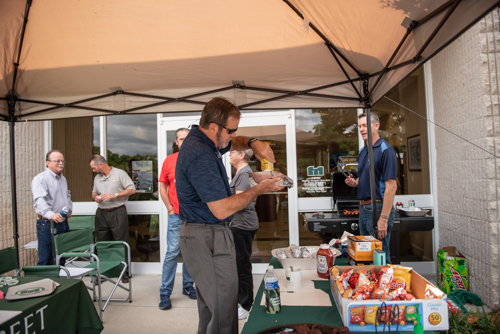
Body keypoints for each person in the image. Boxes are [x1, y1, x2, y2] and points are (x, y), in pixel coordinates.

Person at [176, 97, 284, 334]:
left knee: (212, 308)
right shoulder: (200, 153)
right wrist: (260, 189)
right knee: (223, 308)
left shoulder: (206, 140)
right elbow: (221, 209)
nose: (233, 137)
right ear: (214, 126)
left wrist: (253, 142)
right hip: (205, 234)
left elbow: (236, 142)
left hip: (209, 232)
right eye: (231, 130)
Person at [345, 113, 397, 263]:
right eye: (360, 126)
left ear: (376, 126)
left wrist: (384, 218)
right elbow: (366, 176)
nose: (361, 129)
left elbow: (391, 187)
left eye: (365, 125)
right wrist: (355, 183)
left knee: (380, 258)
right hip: (363, 209)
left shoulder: (385, 150)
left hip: (378, 209)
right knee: (365, 258)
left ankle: (384, 286)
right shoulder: (363, 151)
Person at [158, 127, 196, 310]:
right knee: (173, 252)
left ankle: (188, 286)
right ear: (177, 142)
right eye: (181, 139)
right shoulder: (169, 160)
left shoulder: (198, 160)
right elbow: (162, 185)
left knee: (190, 253)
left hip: (194, 216)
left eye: (187, 139)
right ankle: (165, 293)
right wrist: (169, 208)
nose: (184, 142)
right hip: (177, 216)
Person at [90, 154, 136, 283]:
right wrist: (96, 197)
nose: (93, 171)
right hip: (101, 213)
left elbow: (132, 189)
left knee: (121, 242)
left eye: (94, 168)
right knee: (102, 243)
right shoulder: (97, 178)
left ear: (101, 165)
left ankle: (124, 272)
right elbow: (94, 192)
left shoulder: (119, 174)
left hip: (117, 211)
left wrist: (115, 195)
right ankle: (103, 272)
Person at [228, 148, 258, 320]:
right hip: (239, 224)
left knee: (242, 266)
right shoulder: (240, 173)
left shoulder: (245, 173)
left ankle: (246, 305)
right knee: (239, 265)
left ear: (241, 155)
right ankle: (242, 301)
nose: (229, 155)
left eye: (232, 152)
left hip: (243, 225)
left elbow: (240, 202)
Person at [31, 150, 73, 265]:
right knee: (46, 259)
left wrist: (69, 210)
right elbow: (39, 200)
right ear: (48, 163)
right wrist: (51, 214)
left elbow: (67, 195)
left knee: (61, 257)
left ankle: (60, 282)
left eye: (62, 160)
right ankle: (46, 283)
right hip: (48, 223)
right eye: (57, 161)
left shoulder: (63, 179)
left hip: (63, 222)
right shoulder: (41, 179)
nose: (61, 163)